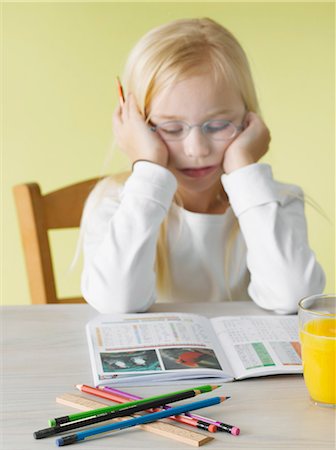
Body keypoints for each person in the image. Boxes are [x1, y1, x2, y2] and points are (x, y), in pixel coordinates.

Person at [80, 17, 325, 314]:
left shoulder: (276, 202)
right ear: (135, 126)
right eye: (171, 128)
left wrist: (244, 170)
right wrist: (149, 169)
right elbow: (116, 301)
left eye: (219, 125)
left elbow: (293, 297)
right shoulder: (114, 203)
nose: (197, 150)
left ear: (249, 121)